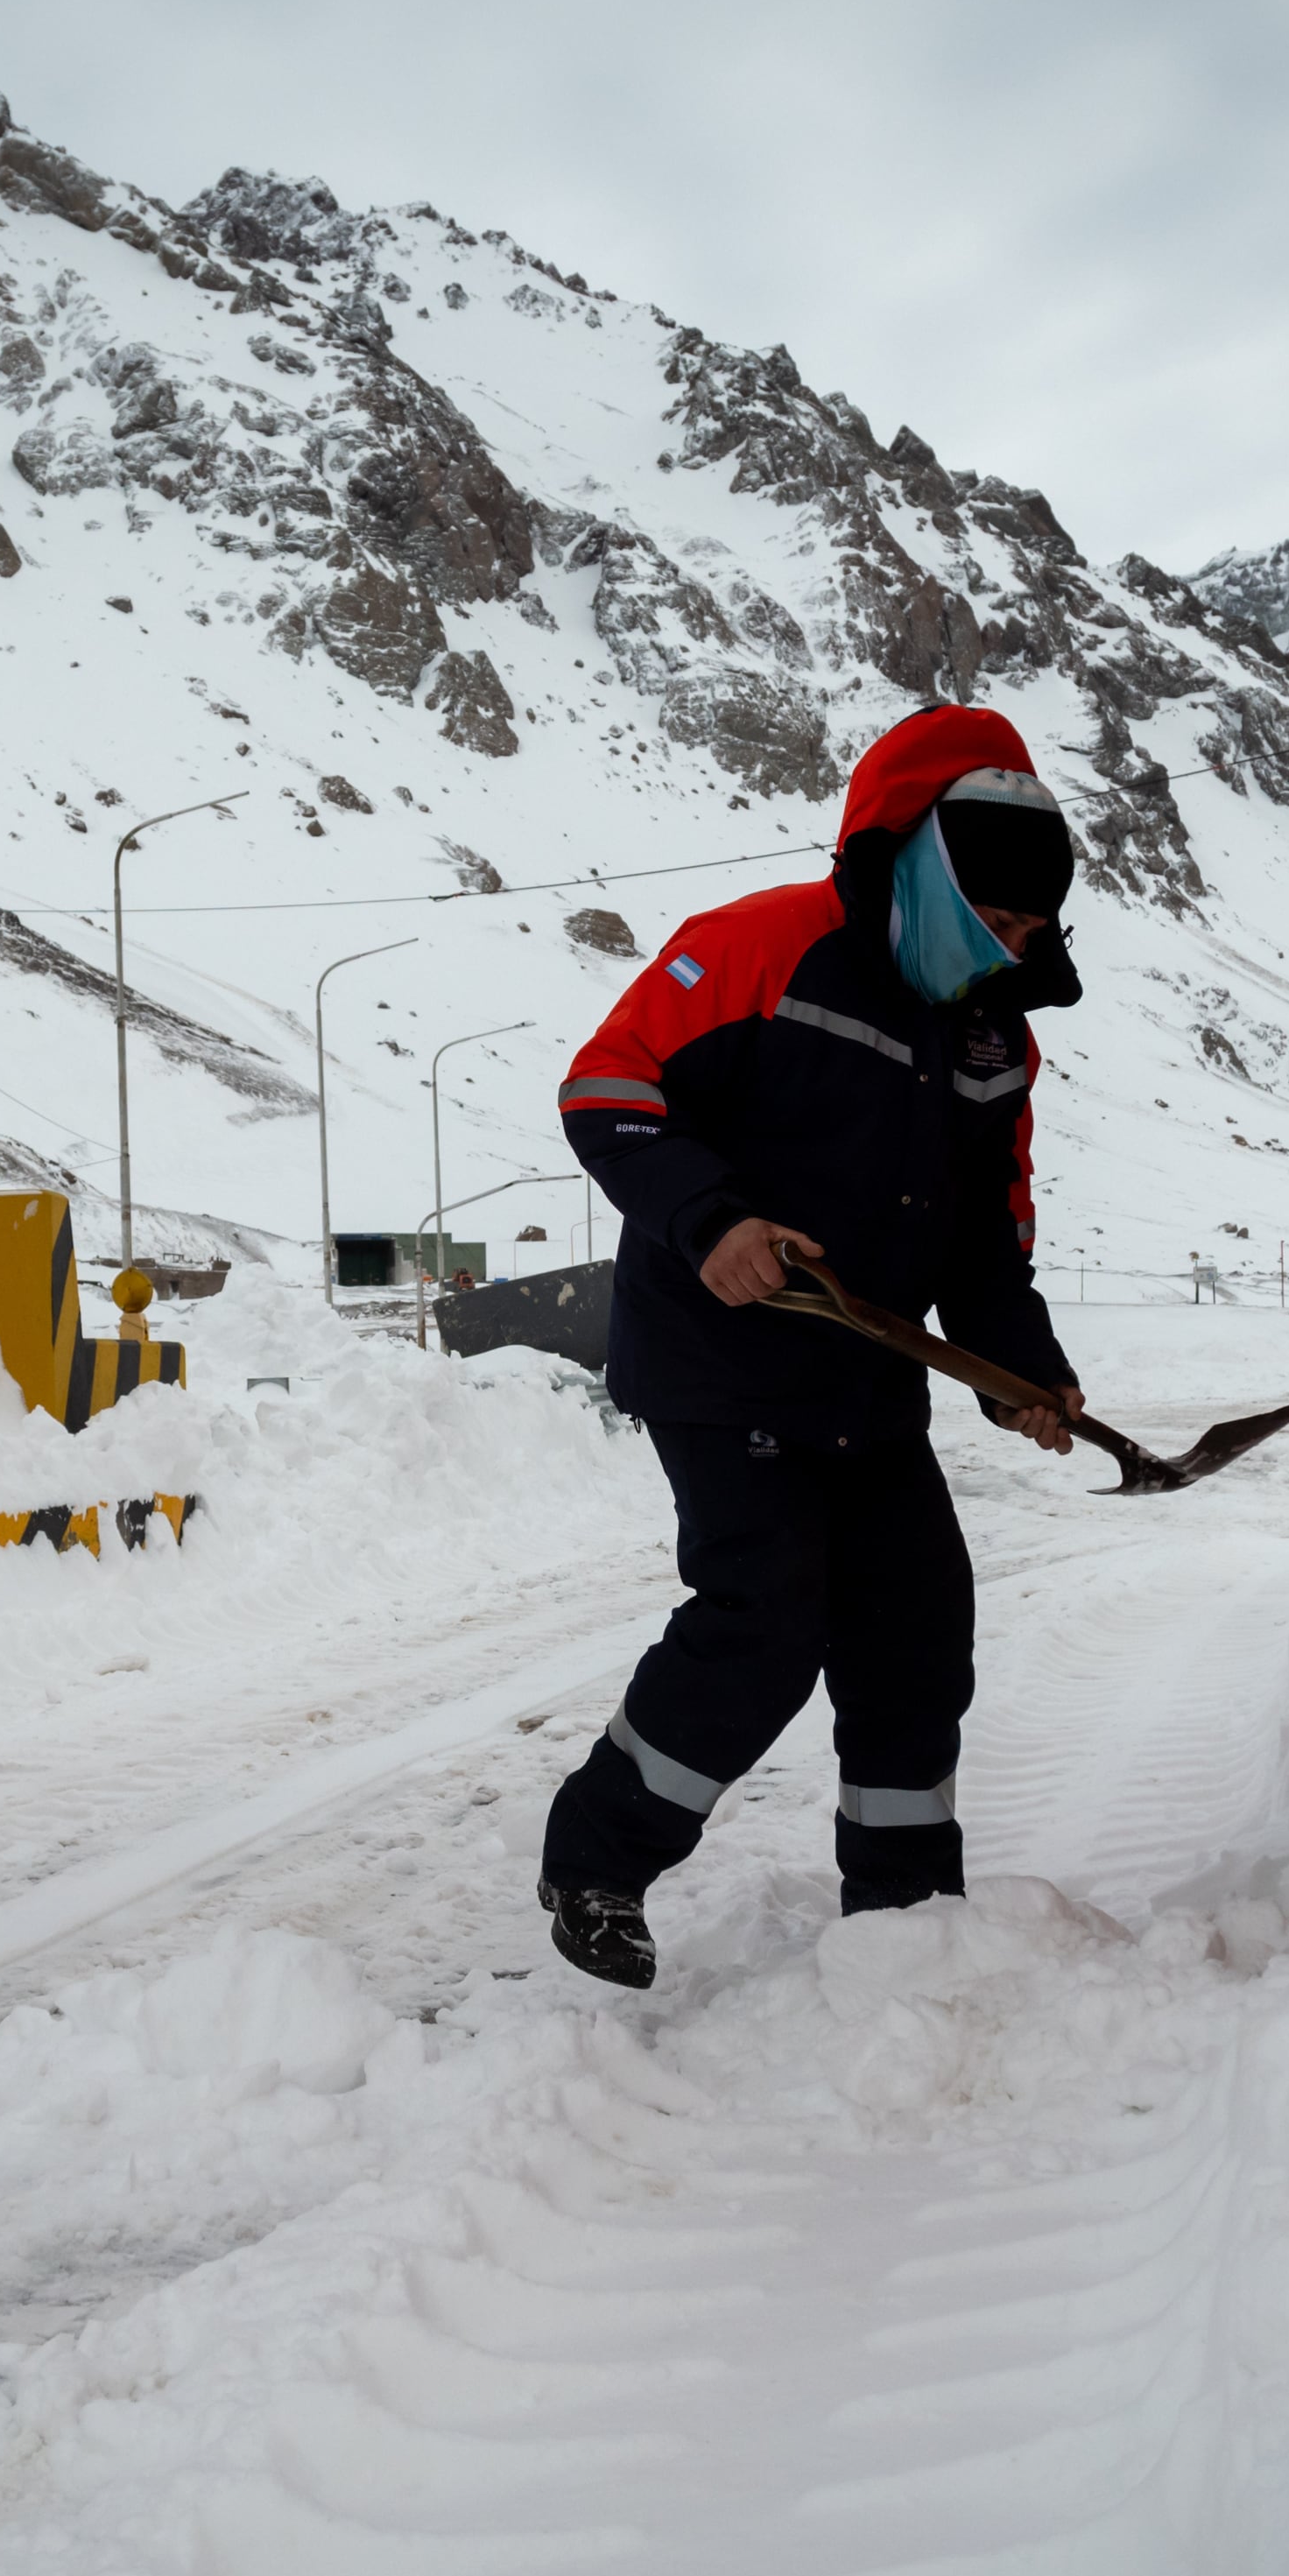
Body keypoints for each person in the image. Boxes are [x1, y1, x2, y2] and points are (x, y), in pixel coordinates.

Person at [537, 705, 1088, 1988]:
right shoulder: (760, 951)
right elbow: (608, 1091)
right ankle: (597, 1861)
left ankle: (905, 1924)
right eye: (998, 924)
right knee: (765, 1617)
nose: (1012, 952)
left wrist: (1025, 1375)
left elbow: (985, 1248)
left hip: (868, 1375)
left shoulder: (991, 1039)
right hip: (720, 1360)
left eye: (1028, 936)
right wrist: (710, 1217)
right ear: (930, 871)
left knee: (915, 1625)